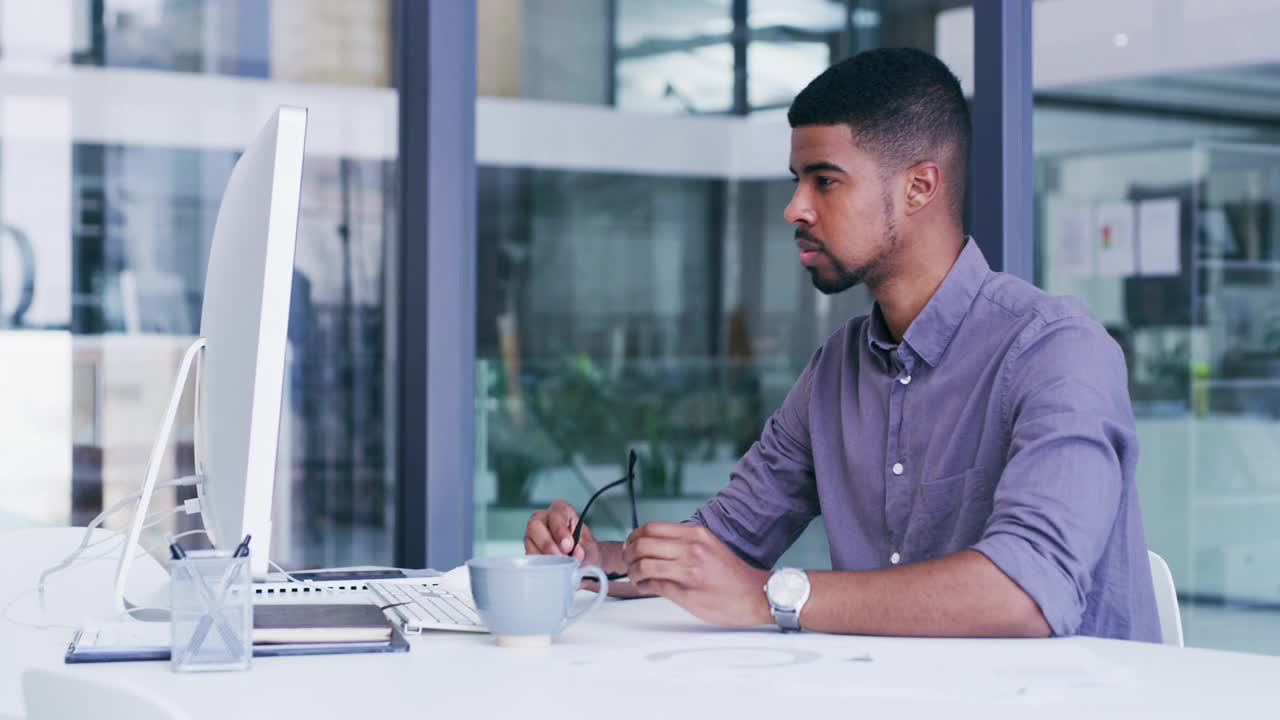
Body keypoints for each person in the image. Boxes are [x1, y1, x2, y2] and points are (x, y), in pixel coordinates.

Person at [524, 47, 1161, 641]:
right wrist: (593, 559)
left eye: (824, 181)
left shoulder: (1057, 351)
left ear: (919, 187)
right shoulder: (836, 370)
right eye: (797, 179)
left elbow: (1026, 593)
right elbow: (724, 545)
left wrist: (767, 596)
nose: (794, 208)